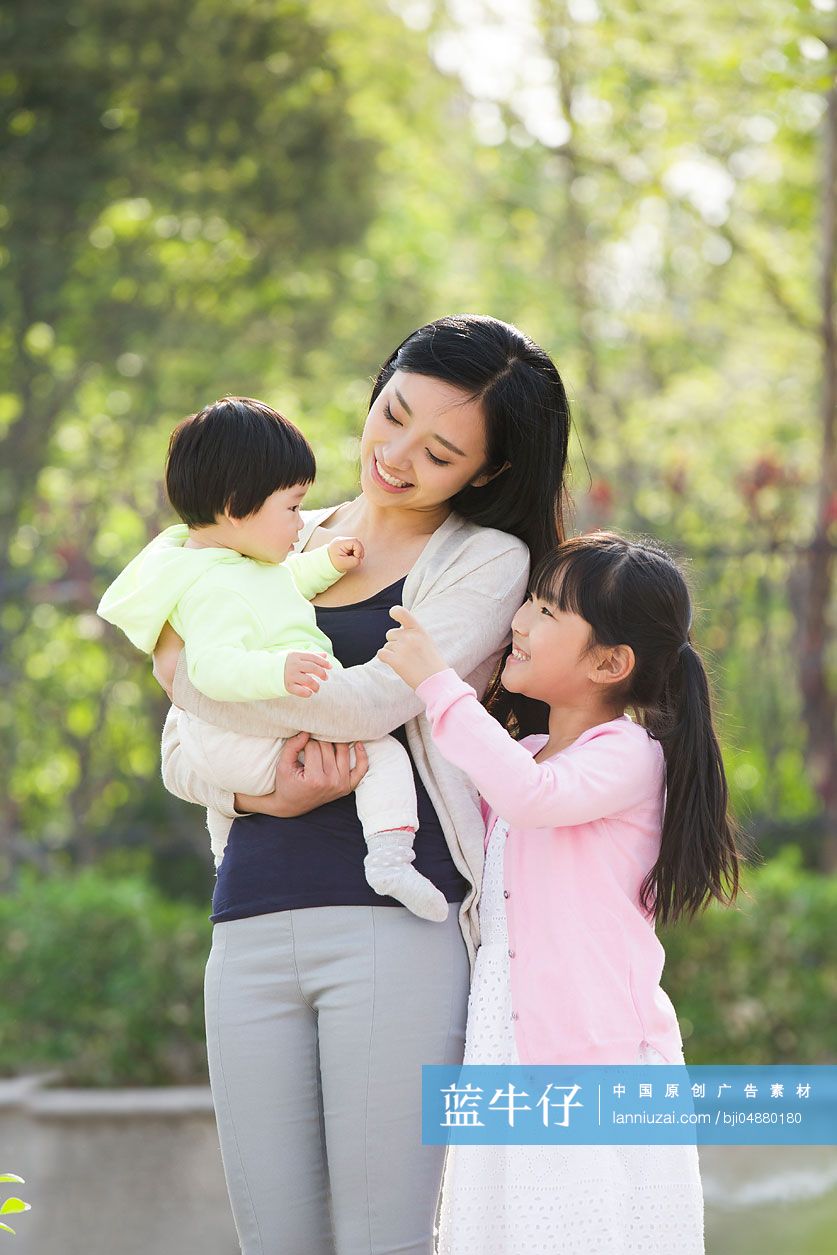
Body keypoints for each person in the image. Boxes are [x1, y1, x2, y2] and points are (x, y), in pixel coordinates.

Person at [150, 314, 572, 1255]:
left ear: (486, 472)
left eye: (440, 450)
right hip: (247, 921)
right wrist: (263, 793)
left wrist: (187, 674)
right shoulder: (274, 534)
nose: (397, 455)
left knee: (382, 1240)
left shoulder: (482, 561)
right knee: (276, 1243)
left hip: (392, 929)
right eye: (393, 414)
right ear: (376, 387)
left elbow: (372, 703)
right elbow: (181, 754)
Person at [379, 529, 743, 1254]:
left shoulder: (628, 756)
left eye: (548, 609)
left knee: (582, 1230)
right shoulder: (525, 752)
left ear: (610, 662)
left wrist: (436, 681)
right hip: (509, 1037)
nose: (520, 618)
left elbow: (530, 798)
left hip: (588, 1048)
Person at [97, 396, 448, 922]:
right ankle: (391, 859)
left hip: (229, 745)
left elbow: (282, 585)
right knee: (380, 753)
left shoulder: (235, 564)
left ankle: (225, 860)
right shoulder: (212, 591)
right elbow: (209, 670)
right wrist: (276, 673)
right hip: (241, 743)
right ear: (238, 508)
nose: (299, 522)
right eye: (290, 507)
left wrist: (326, 562)